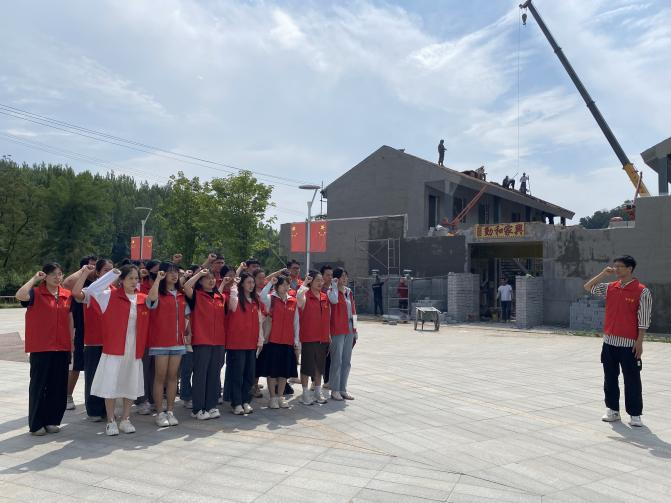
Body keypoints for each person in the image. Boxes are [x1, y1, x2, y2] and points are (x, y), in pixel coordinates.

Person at [72, 264, 156, 436]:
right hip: (114, 349)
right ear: (121, 280)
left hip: (134, 349)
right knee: (110, 385)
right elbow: (90, 291)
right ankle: (111, 420)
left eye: (136, 278)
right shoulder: (108, 296)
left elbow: (155, 300)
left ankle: (125, 419)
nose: (134, 281)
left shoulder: (142, 298)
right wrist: (112, 274)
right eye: (130, 278)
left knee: (130, 384)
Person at [584, 255, 652, 427]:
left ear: (630, 269)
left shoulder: (642, 291)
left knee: (632, 380)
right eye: (615, 266)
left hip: (629, 345)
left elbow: (644, 319)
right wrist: (603, 274)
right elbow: (588, 286)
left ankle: (635, 414)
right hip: (609, 343)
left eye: (620, 266)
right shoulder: (610, 287)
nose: (616, 269)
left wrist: (639, 342)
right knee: (610, 378)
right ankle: (613, 410)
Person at [16, 263, 73, 436]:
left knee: (58, 386)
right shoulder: (35, 293)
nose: (57, 277)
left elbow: (70, 319)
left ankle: (52, 420)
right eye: (53, 274)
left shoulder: (66, 295)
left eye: (60, 274)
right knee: (39, 386)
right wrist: (34, 278)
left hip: (62, 347)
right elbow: (20, 295)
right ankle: (36, 424)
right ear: (45, 276)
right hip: (41, 347)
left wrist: (71, 343)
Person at [183, 268, 228, 420]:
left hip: (218, 341)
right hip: (202, 341)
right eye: (207, 278)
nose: (211, 280)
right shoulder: (196, 295)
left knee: (214, 375)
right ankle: (198, 409)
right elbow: (186, 286)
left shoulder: (220, 297)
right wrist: (199, 274)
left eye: (213, 278)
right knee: (200, 375)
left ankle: (211, 406)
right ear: (201, 281)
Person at [147, 262, 188, 427]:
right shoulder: (158, 293)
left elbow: (187, 317)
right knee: (160, 377)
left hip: (178, 343)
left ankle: (170, 411)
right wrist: (157, 279)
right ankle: (159, 413)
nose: (174, 275)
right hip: (160, 342)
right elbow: (150, 300)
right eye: (170, 272)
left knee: (173, 377)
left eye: (176, 272)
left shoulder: (181, 295)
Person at [78, 258, 114, 421]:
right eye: (106, 270)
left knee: (108, 377)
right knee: (93, 376)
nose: (109, 273)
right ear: (98, 273)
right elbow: (76, 294)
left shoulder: (116, 291)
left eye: (112, 270)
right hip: (93, 342)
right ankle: (93, 410)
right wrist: (84, 273)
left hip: (111, 342)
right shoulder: (90, 290)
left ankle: (107, 409)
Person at [257, 276, 299, 409]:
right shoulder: (271, 299)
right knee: (272, 371)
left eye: (287, 285)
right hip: (272, 341)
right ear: (277, 286)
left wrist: (296, 340)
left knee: (283, 372)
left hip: (287, 341)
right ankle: (273, 398)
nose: (286, 287)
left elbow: (296, 322)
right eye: (283, 285)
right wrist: (271, 282)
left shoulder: (293, 301)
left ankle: (280, 397)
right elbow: (262, 296)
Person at [61, 255, 97, 411]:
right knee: (75, 365)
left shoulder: (98, 283)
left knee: (93, 366)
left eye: (96, 266)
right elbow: (66, 283)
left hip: (95, 330)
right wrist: (83, 271)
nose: (94, 269)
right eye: (91, 266)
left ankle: (95, 399)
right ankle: (67, 396)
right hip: (79, 328)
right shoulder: (79, 282)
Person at [226, 271, 264, 415]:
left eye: (253, 282)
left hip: (251, 343)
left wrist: (260, 340)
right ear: (241, 284)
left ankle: (246, 401)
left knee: (249, 374)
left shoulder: (255, 301)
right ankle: (236, 403)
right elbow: (232, 300)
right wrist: (234, 285)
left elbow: (259, 322)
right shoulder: (235, 299)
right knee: (237, 374)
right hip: (237, 344)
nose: (251, 285)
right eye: (248, 282)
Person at [296, 271, 331, 405]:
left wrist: (328, 334)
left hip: (322, 338)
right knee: (307, 367)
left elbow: (328, 317)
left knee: (319, 367)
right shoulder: (305, 296)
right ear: (311, 282)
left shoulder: (324, 297)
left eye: (321, 280)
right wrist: (305, 283)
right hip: (309, 338)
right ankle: (305, 394)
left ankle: (317, 391)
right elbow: (298, 297)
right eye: (317, 280)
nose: (320, 283)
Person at [327, 268, 356, 401]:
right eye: (342, 276)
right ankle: (335, 389)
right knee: (337, 360)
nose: (345, 279)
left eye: (346, 276)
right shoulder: (331, 291)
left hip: (349, 327)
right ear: (336, 278)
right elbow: (333, 301)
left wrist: (355, 330)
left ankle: (343, 388)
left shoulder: (349, 292)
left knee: (346, 360)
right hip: (337, 328)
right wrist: (333, 285)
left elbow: (353, 311)